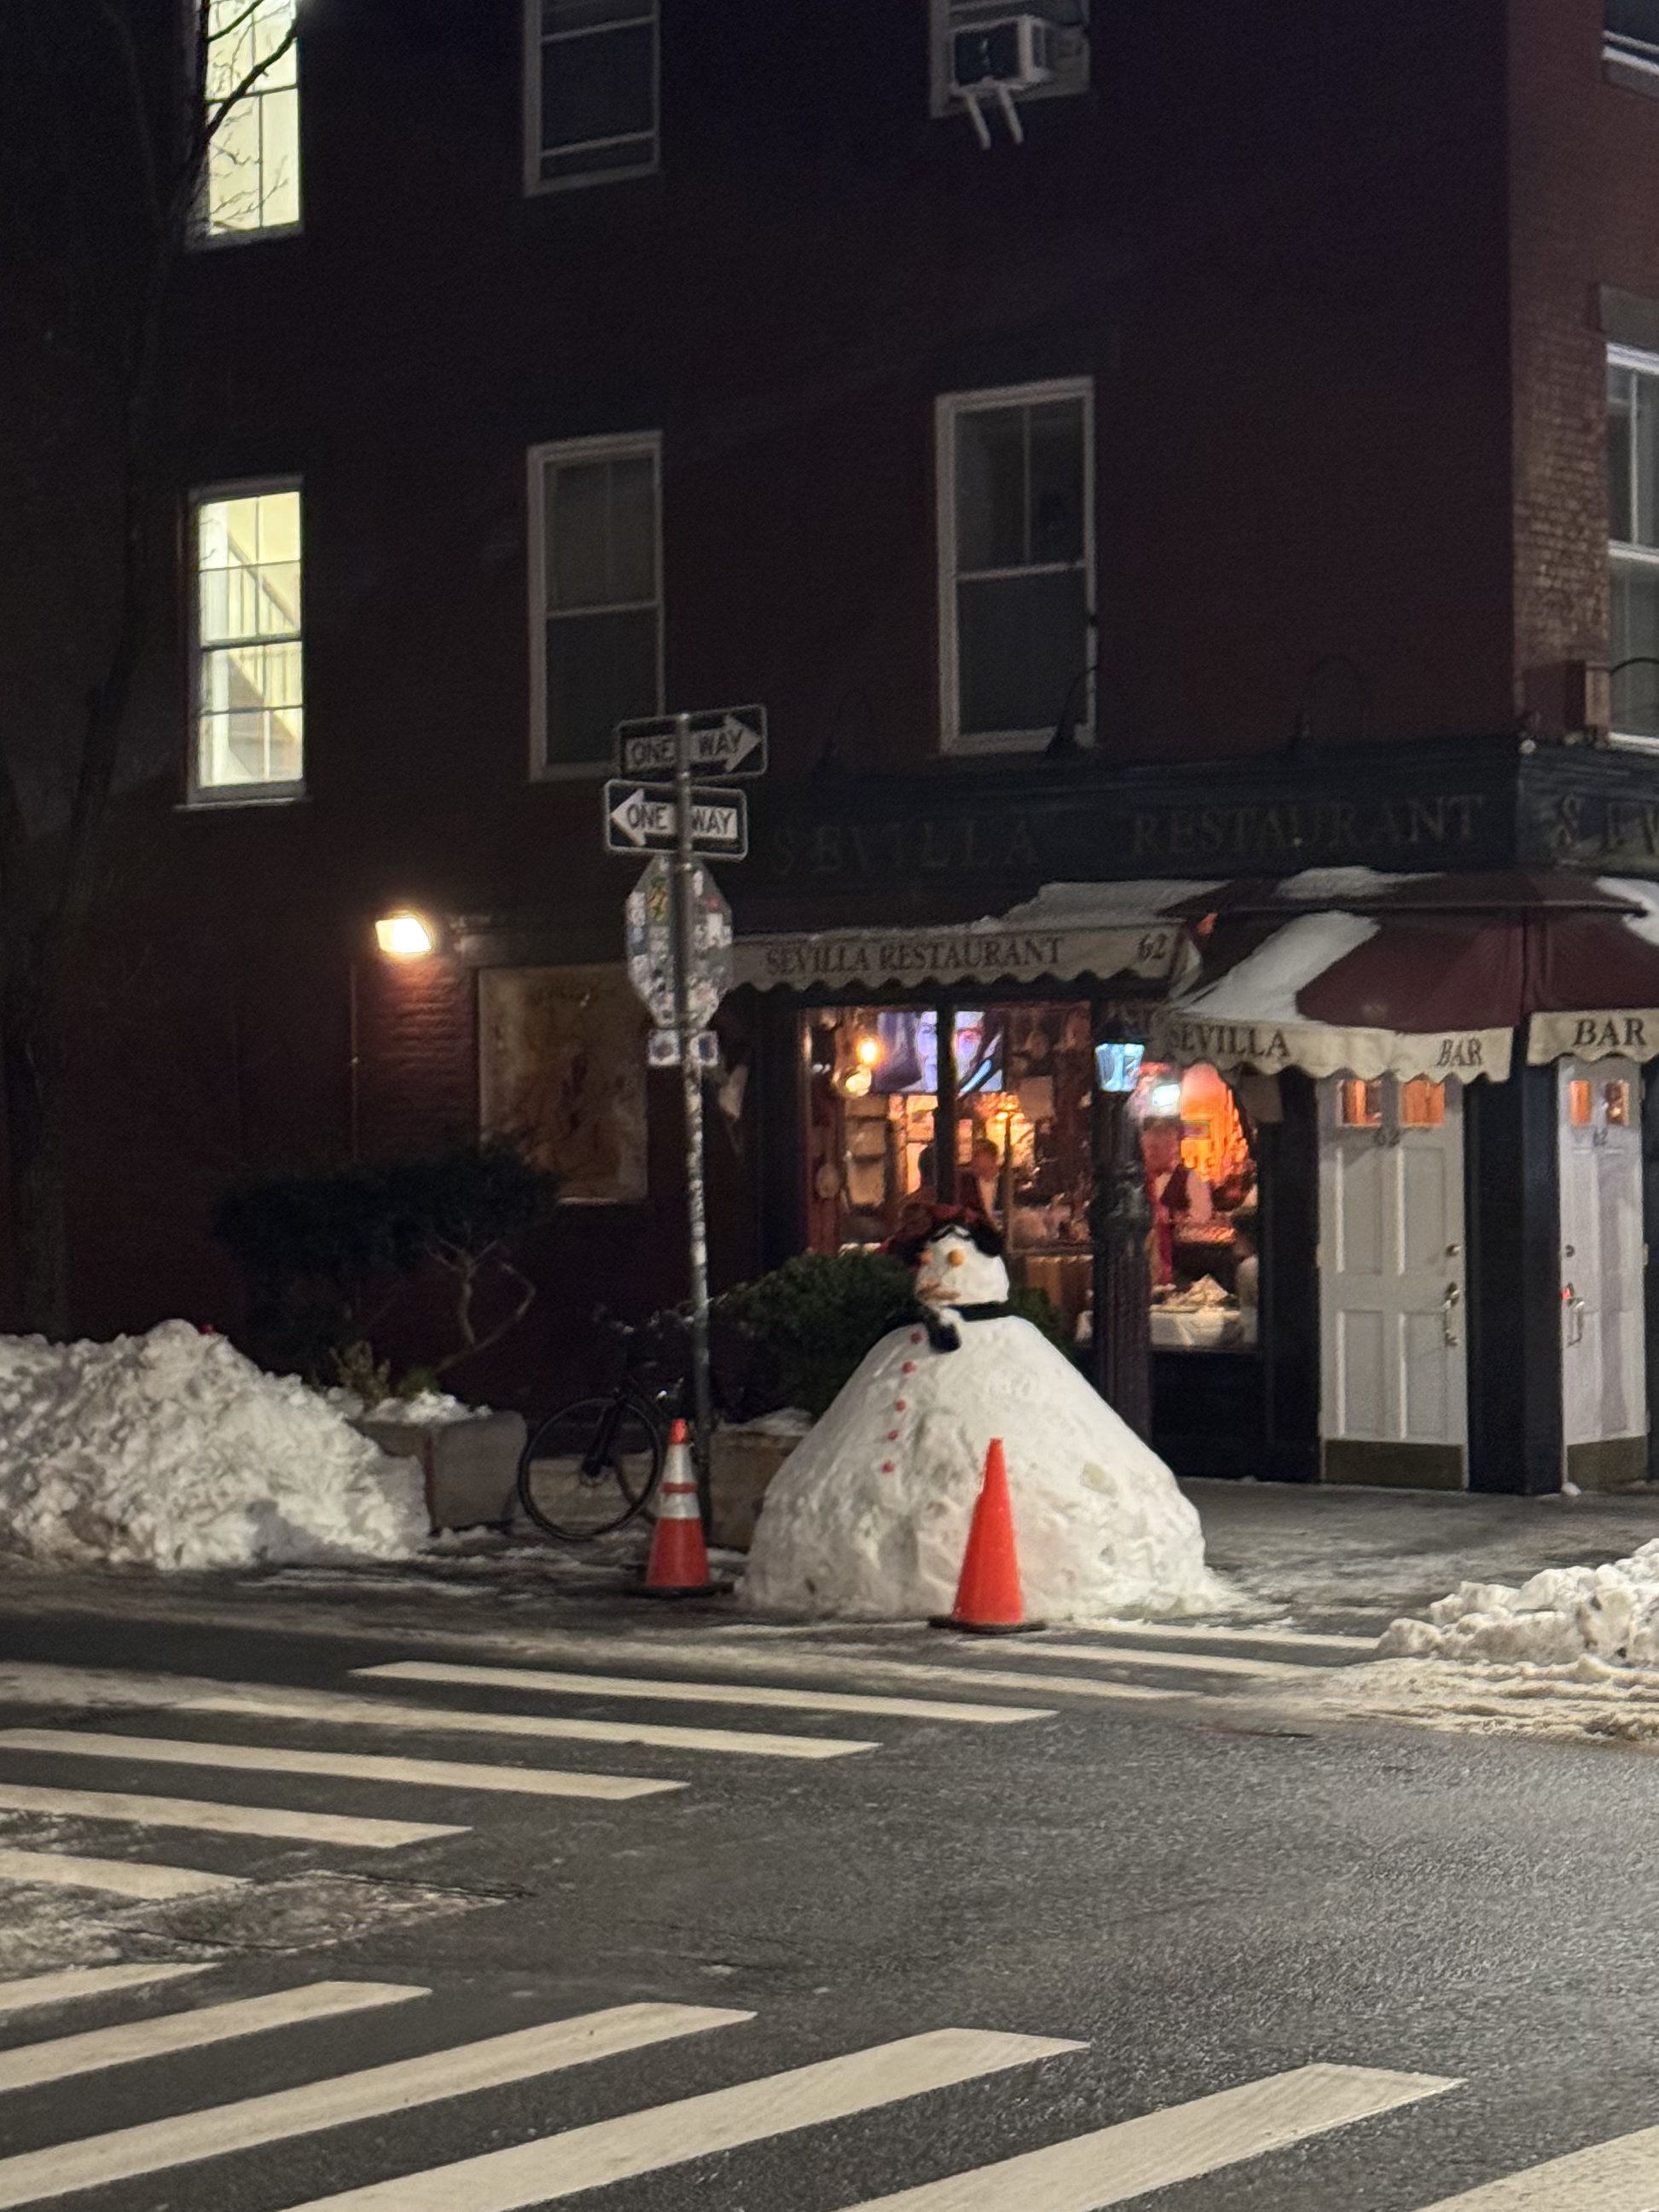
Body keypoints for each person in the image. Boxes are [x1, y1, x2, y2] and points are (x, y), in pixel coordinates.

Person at [1140, 1117, 1212, 1286]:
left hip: (1183, 1266)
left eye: (1155, 1148)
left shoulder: (1191, 1178)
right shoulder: (1139, 1181)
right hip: (1146, 1263)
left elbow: (1202, 1220)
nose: (1150, 1154)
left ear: (1173, 1148)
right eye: (1147, 1148)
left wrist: (1171, 1218)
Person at [958, 1135, 1003, 1224]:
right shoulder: (965, 1182)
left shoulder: (1007, 1183)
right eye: (974, 1155)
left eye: (977, 1155)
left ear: (993, 1159)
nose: (973, 1160)